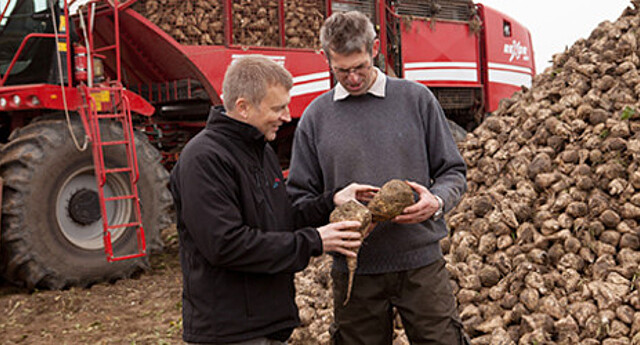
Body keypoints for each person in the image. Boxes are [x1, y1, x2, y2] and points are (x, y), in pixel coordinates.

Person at [286, 11, 470, 345]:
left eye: (359, 67)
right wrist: (332, 206)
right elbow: (299, 200)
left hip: (421, 265)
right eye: (342, 70)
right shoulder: (316, 118)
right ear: (326, 58)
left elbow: (453, 171)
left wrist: (436, 201)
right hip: (355, 274)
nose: (353, 78)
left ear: (375, 48)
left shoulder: (417, 100)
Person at [170, 55, 375, 345]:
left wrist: (331, 201)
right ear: (243, 107)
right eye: (277, 108)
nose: (287, 116)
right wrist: (315, 241)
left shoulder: (260, 150)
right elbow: (226, 245)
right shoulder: (204, 159)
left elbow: (280, 219)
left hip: (267, 325)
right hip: (231, 332)